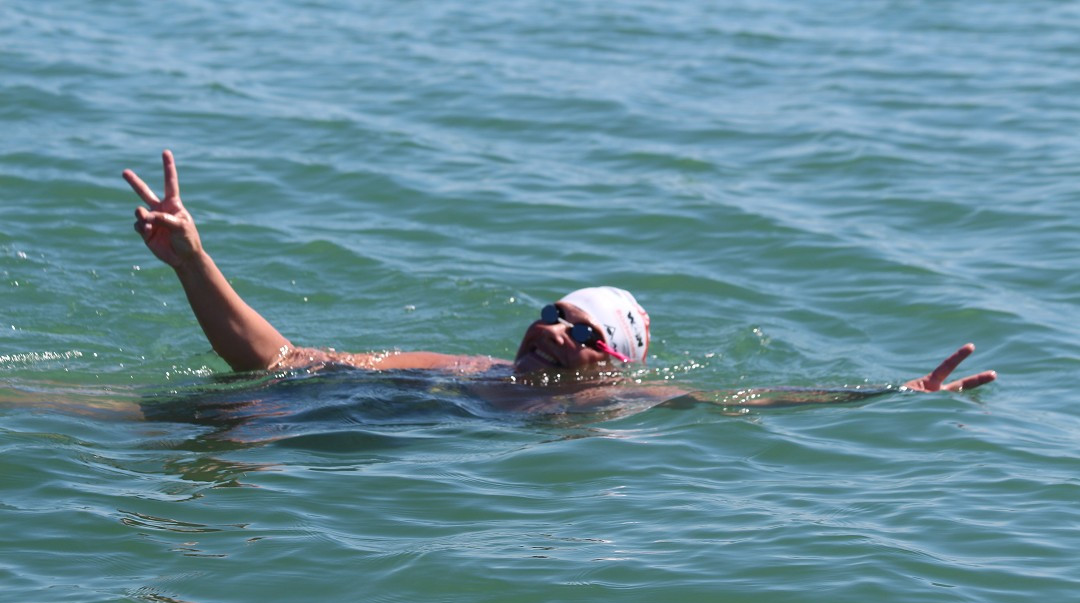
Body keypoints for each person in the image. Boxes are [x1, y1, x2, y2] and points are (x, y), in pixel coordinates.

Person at [122, 151, 996, 407]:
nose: (553, 330)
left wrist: (892, 392)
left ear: (610, 364)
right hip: (300, 436)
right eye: (553, 312)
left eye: (583, 332)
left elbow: (753, 398)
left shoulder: (618, 406)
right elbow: (279, 363)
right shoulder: (465, 372)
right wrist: (196, 261)